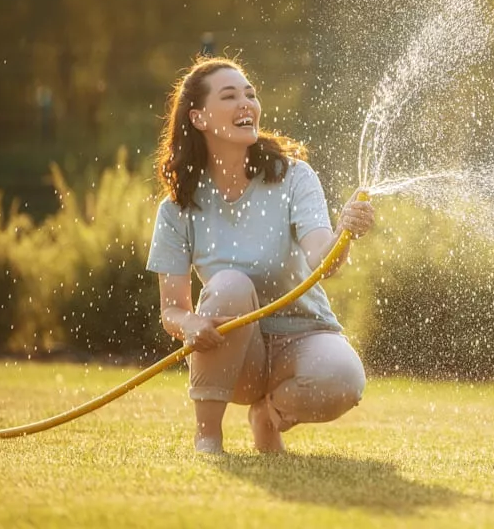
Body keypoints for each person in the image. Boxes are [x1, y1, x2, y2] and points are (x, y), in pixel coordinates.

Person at [147, 57, 373, 454]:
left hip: (303, 335)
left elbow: (324, 260)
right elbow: (171, 311)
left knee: (344, 380)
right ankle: (208, 436)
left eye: (250, 95)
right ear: (198, 118)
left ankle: (269, 416)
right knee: (230, 285)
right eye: (230, 96)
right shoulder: (177, 209)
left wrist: (343, 234)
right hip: (235, 359)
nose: (246, 104)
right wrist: (191, 325)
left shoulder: (294, 176)